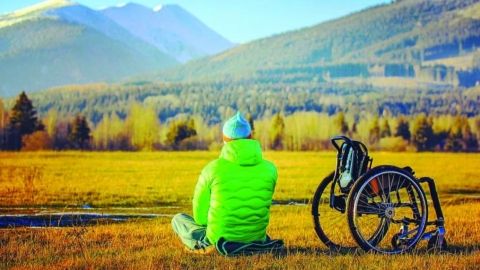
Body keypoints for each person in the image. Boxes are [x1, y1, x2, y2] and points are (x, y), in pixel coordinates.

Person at [171, 112, 279, 254]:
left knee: (178, 219)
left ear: (224, 139)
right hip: (257, 238)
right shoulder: (270, 169)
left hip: (218, 238)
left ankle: (211, 247)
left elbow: (199, 217)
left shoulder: (212, 169)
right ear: (250, 137)